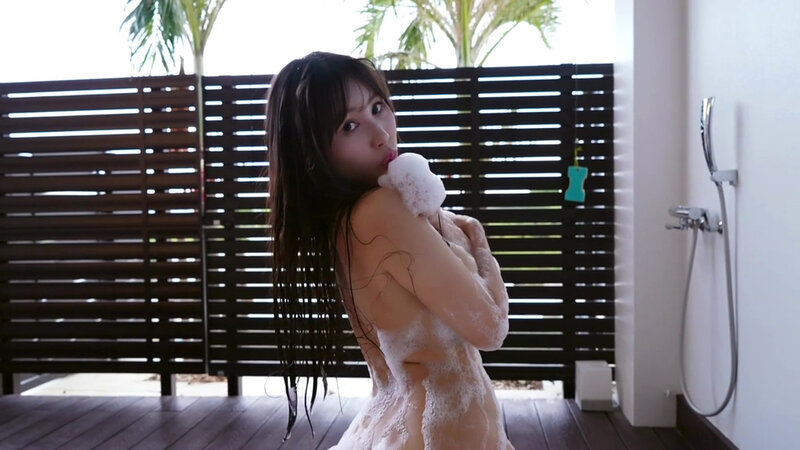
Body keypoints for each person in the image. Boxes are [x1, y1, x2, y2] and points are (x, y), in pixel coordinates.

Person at [266, 51, 512, 449]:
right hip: (442, 434)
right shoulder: (382, 209)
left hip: (396, 426)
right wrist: (478, 238)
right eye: (349, 125)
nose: (381, 133)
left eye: (378, 107)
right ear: (313, 153)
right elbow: (490, 327)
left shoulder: (345, 221)